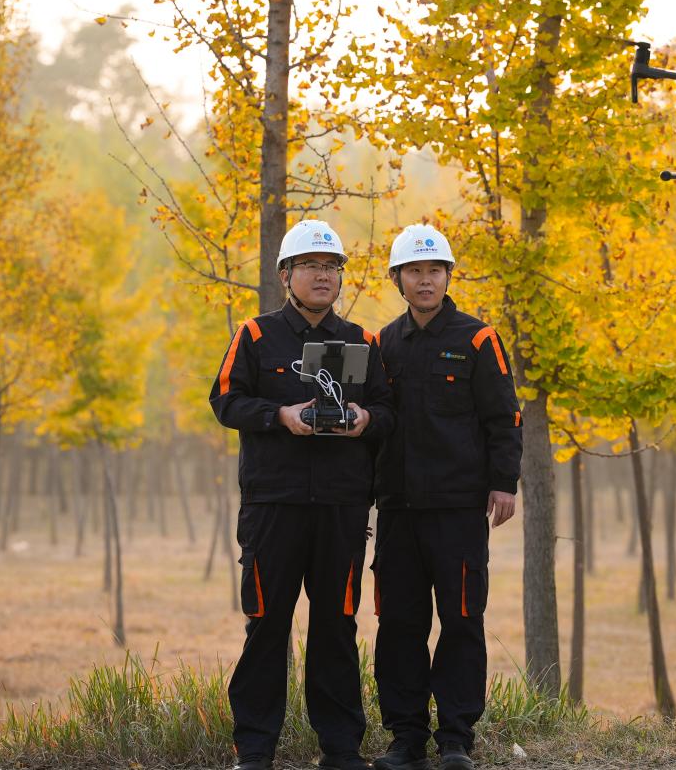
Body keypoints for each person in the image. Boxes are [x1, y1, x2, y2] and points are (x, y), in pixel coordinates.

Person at [210, 219, 394, 770]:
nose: (322, 275)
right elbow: (225, 401)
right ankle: (254, 749)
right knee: (266, 625)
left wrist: (365, 418)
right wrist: (279, 415)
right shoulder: (255, 335)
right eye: (310, 265)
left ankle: (341, 749)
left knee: (336, 627)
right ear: (285, 274)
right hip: (274, 507)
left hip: (342, 508)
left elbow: (389, 412)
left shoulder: (362, 341)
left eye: (331, 266)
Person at [370, 225, 522, 770]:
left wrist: (504, 482)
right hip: (398, 511)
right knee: (399, 625)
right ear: (398, 279)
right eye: (414, 271)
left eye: (434, 270)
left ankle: (456, 737)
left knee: (460, 621)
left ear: (448, 276)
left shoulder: (478, 339)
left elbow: (504, 417)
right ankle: (406, 738)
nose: (425, 280)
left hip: (458, 511)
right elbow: (372, 423)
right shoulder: (381, 345)